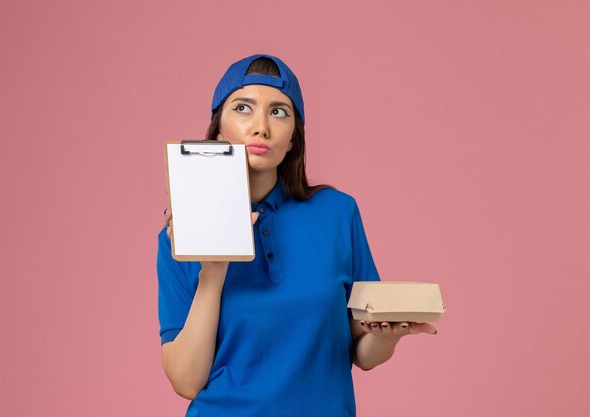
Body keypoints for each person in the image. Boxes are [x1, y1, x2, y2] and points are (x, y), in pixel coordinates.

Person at [157, 54, 437, 417]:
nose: (261, 127)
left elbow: (363, 353)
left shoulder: (337, 214)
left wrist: (386, 336)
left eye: (278, 112)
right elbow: (186, 382)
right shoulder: (178, 236)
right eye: (243, 108)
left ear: (293, 138)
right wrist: (213, 271)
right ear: (218, 130)